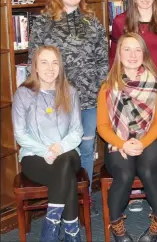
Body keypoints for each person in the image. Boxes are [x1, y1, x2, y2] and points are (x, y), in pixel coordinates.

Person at [28, 0, 108, 215]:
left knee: (85, 149)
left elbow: (103, 61)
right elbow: (34, 59)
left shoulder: (92, 22)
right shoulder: (43, 21)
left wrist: (98, 90)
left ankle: (83, 199)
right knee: (59, 148)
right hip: (54, 99)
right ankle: (62, 198)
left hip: (87, 99)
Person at [110, 0, 157, 212]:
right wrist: (115, 88)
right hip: (125, 89)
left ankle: (147, 189)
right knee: (126, 137)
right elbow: (113, 56)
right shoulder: (120, 22)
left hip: (152, 91)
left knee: (150, 139)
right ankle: (132, 192)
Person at [97, 32, 157, 242]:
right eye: (127, 49)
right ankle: (117, 226)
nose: (132, 54)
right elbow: (102, 125)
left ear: (144, 53)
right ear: (118, 53)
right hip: (118, 140)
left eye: (138, 49)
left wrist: (141, 142)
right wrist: (122, 144)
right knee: (125, 174)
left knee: (147, 170)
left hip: (149, 138)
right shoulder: (107, 86)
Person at [12, 46, 83, 242]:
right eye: (44, 62)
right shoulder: (23, 94)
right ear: (35, 66)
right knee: (66, 176)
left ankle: (50, 228)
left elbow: (77, 130)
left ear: (60, 67)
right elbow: (20, 133)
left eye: (54, 63)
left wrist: (59, 147)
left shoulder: (70, 92)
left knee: (66, 160)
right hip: (34, 156)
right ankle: (72, 233)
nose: (50, 68)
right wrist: (45, 151)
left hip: (68, 152)